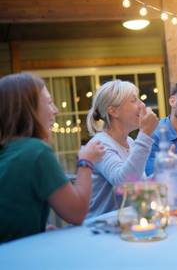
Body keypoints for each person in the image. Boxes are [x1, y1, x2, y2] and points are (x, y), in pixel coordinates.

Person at [0, 73, 105, 243]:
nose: (55, 110)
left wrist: (38, 229)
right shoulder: (35, 151)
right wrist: (86, 161)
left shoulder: (10, 151)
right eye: (49, 102)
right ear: (29, 109)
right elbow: (76, 213)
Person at [86, 80, 158, 217]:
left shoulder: (130, 142)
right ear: (113, 111)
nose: (142, 104)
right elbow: (125, 184)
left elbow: (138, 184)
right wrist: (145, 135)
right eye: (133, 100)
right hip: (101, 229)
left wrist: (167, 168)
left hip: (126, 223)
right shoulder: (99, 144)